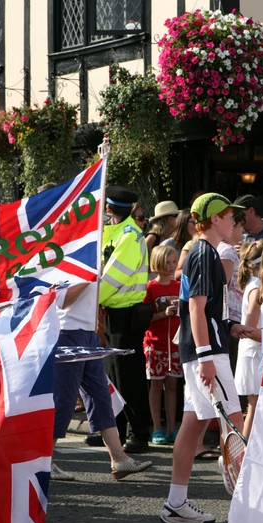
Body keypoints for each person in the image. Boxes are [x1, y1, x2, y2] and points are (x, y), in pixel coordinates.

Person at [160, 193, 254, 523]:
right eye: (230, 216)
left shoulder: (206, 252)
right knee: (235, 423)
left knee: (193, 424)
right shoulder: (204, 252)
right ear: (215, 219)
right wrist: (205, 357)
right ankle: (252, 512)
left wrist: (230, 326)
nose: (235, 221)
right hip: (206, 353)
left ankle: (175, 503)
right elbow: (195, 308)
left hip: (206, 349)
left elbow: (205, 309)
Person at [50, 279, 153, 481]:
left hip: (89, 335)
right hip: (68, 334)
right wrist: (88, 278)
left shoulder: (89, 257)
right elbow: (61, 301)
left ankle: (118, 458)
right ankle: (45, 462)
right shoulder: (72, 260)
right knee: (64, 400)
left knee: (101, 396)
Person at [99, 186, 153, 453]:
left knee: (128, 377)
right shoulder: (115, 233)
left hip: (125, 314)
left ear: (108, 209)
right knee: (112, 376)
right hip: (112, 313)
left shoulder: (130, 237)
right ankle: (116, 431)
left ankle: (139, 432)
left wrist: (88, 299)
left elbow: (112, 277)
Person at [143, 246, 182, 446]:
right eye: (167, 262)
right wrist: (162, 314)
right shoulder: (151, 287)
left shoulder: (179, 285)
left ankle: (171, 428)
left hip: (174, 345)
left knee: (173, 386)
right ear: (157, 263)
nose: (171, 266)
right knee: (156, 385)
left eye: (174, 261)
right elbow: (143, 318)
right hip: (155, 344)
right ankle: (157, 427)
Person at [235, 239, 263, 440]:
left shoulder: (254, 283)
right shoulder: (256, 288)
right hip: (254, 354)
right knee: (255, 405)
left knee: (255, 405)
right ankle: (243, 451)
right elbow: (247, 329)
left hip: (253, 353)